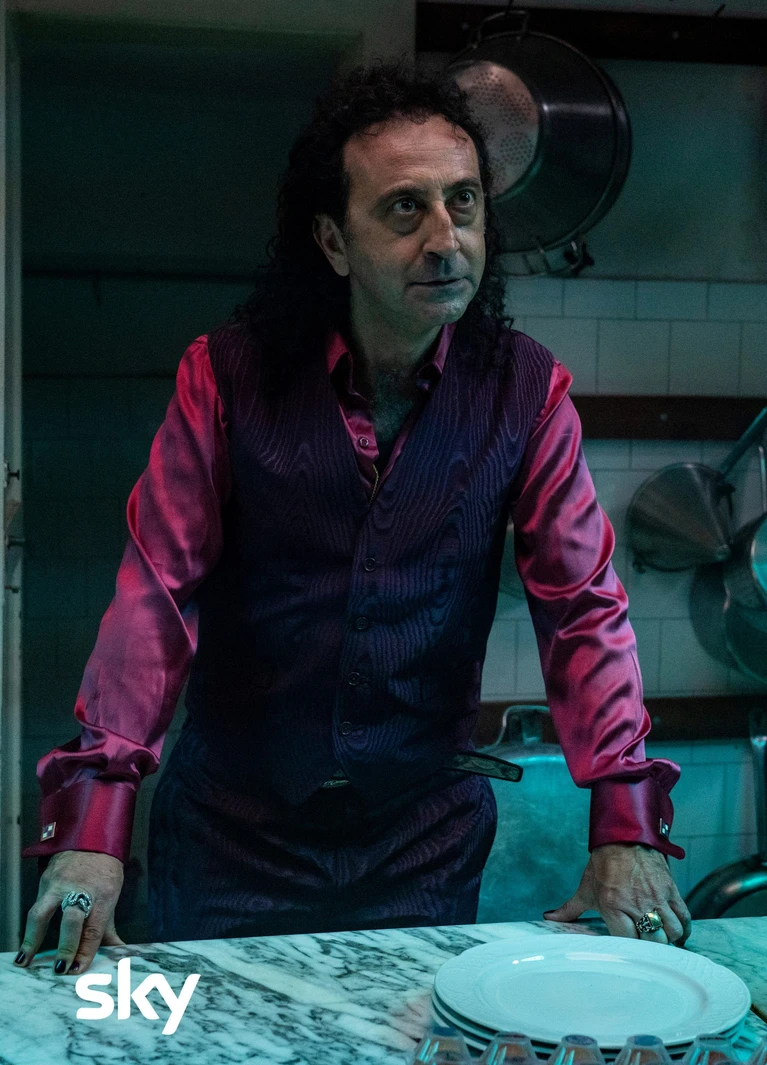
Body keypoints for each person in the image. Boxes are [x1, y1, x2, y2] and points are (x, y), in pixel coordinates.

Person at [13, 60, 691, 979]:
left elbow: (580, 609)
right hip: (231, 833)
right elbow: (155, 595)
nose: (445, 240)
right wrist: (94, 824)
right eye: (404, 209)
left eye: (462, 203)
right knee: (209, 1036)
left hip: (422, 836)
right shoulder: (225, 376)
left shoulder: (527, 391)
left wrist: (626, 821)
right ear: (334, 241)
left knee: (406, 1037)